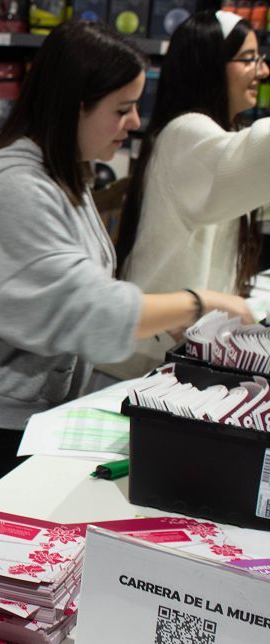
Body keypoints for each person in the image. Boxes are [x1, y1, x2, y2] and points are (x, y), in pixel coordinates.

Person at [0, 21, 254, 482]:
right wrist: (198, 302)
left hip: (25, 415)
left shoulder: (66, 173)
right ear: (74, 108)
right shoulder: (18, 189)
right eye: (122, 109)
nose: (135, 123)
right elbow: (82, 307)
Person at [110, 10, 270, 378]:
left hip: (172, 355)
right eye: (248, 59)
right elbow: (250, 159)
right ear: (209, 64)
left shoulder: (209, 134)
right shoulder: (186, 133)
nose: (262, 71)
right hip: (145, 366)